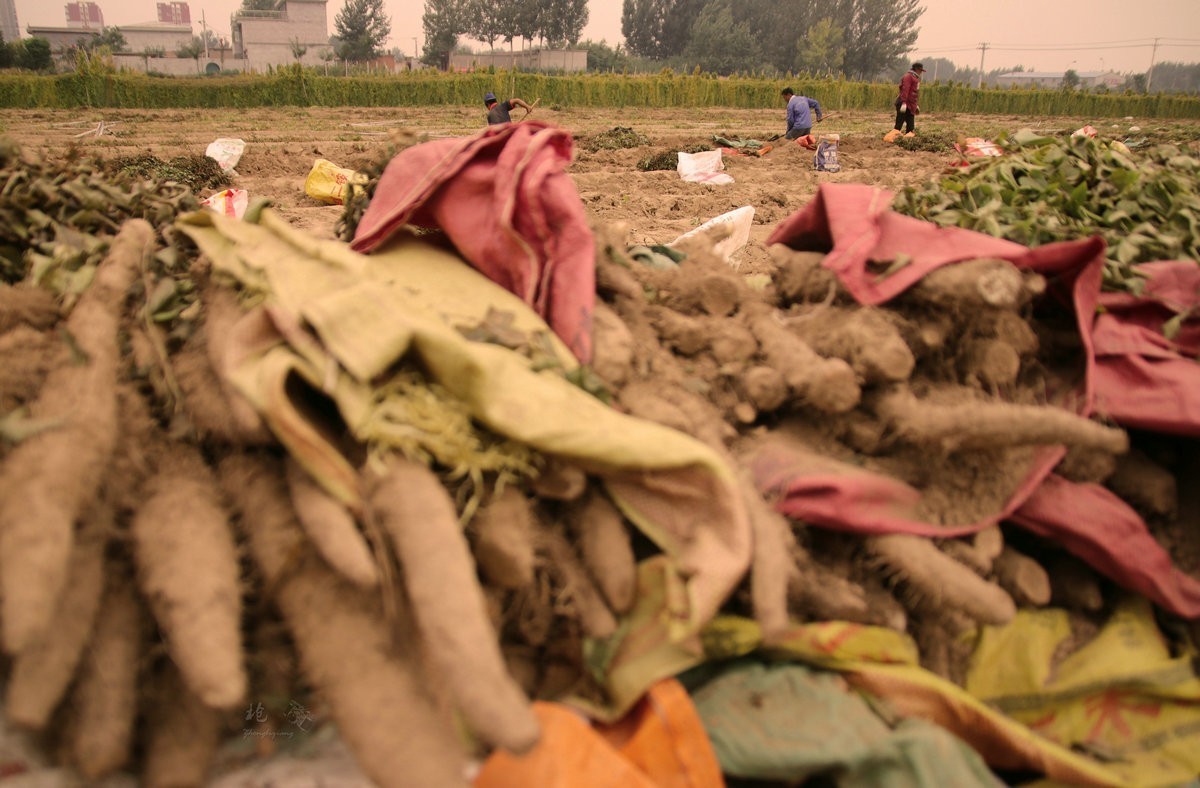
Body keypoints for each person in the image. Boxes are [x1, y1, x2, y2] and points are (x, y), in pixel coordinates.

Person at [893, 62, 925, 136]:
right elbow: (905, 89)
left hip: (911, 105)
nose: (921, 72)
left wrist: (916, 105)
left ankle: (908, 139)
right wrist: (904, 102)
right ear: (916, 69)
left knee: (911, 127)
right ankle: (892, 138)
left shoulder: (916, 78)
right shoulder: (908, 77)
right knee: (899, 125)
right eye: (920, 70)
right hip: (904, 104)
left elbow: (914, 93)